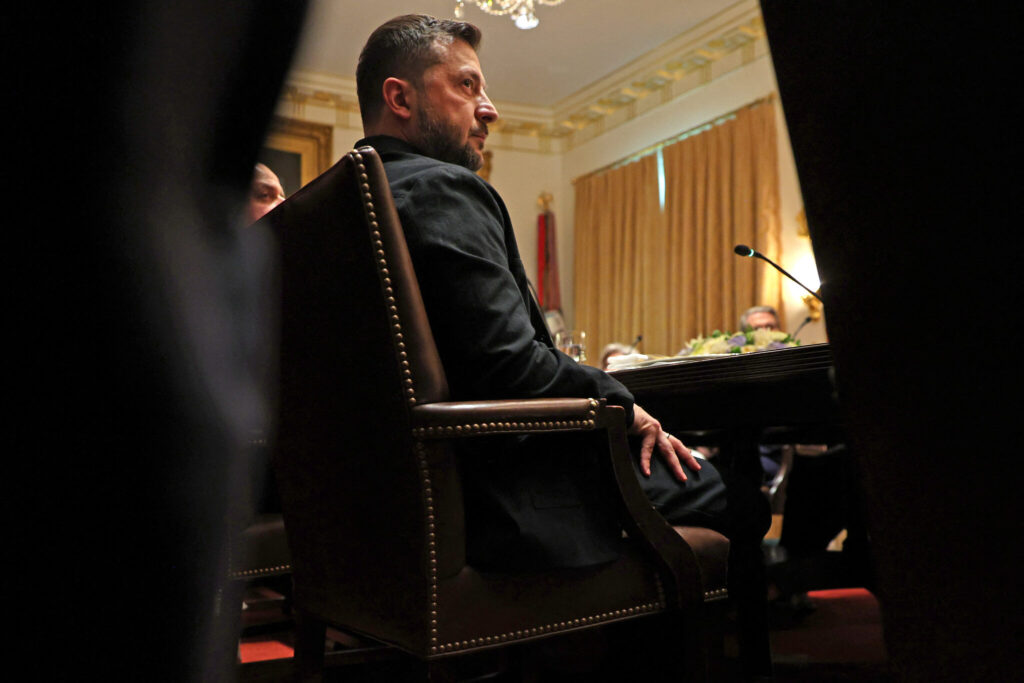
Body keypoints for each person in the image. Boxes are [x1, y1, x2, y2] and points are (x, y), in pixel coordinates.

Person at [352, 14, 764, 575]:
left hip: (378, 506)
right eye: (467, 85)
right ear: (400, 97)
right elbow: (510, 364)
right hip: (504, 496)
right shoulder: (438, 186)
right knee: (743, 499)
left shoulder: (334, 209)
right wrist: (623, 403)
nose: (490, 108)